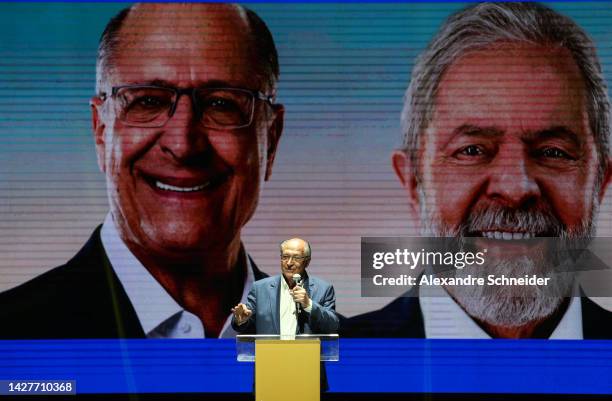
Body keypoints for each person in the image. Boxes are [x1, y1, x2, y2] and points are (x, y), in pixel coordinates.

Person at [0, 3, 284, 339]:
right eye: (148, 101)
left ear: (271, 140)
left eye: (221, 104)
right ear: (101, 132)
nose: (183, 145)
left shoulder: (329, 351)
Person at [342, 2, 612, 339]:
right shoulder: (318, 372)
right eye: (472, 150)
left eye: (552, 152)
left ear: (600, 181)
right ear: (413, 182)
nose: (515, 189)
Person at [231, 238, 339, 335]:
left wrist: (309, 305)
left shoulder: (323, 289)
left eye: (296, 258)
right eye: (285, 257)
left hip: (307, 355)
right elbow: (245, 323)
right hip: (270, 354)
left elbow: (333, 326)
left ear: (307, 262)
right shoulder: (260, 288)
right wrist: (241, 319)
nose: (289, 263)